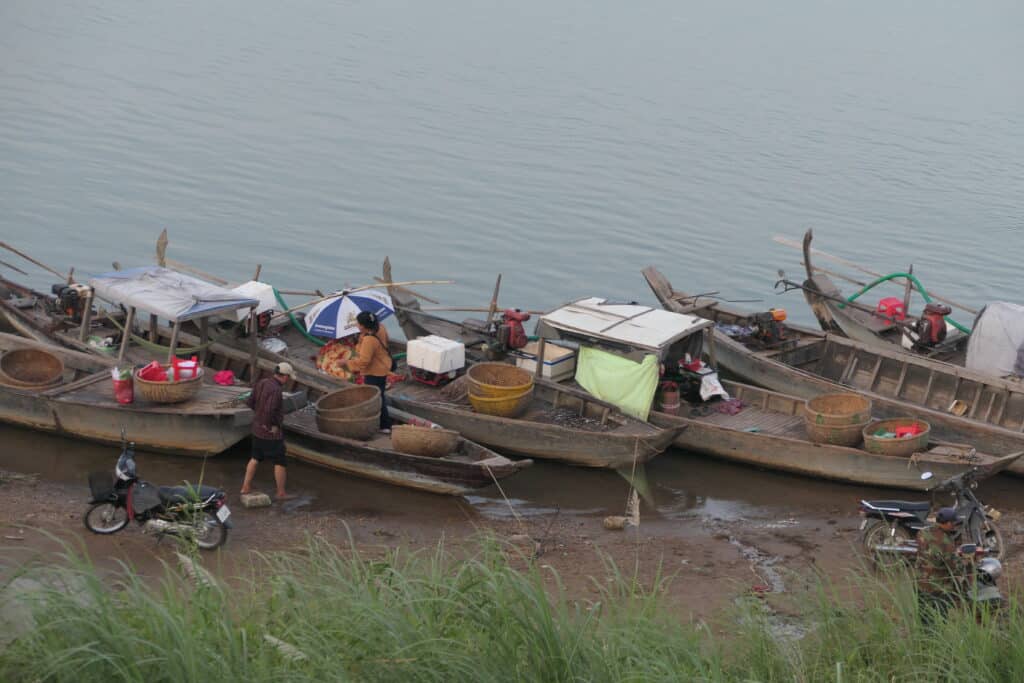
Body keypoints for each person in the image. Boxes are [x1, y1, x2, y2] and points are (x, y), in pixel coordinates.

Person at [240, 362, 295, 500]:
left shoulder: (262, 382)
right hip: (269, 432)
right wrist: (273, 425)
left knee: (255, 457)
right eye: (288, 377)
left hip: (256, 428)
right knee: (280, 460)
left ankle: (245, 487)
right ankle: (281, 493)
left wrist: (259, 419)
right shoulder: (276, 390)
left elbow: (250, 402)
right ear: (285, 376)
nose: (288, 380)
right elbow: (270, 411)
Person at [340, 311, 393, 432]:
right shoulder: (381, 327)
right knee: (380, 395)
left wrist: (346, 363)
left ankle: (384, 425)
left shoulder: (369, 340)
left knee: (375, 398)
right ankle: (385, 424)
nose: (357, 326)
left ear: (363, 326)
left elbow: (364, 361)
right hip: (383, 366)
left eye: (358, 324)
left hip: (374, 371)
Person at [916, 507, 966, 622]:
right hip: (938, 588)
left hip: (920, 582)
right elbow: (956, 568)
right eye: (953, 523)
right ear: (947, 523)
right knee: (940, 619)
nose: (954, 525)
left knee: (924, 618)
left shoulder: (922, 532)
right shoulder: (945, 542)